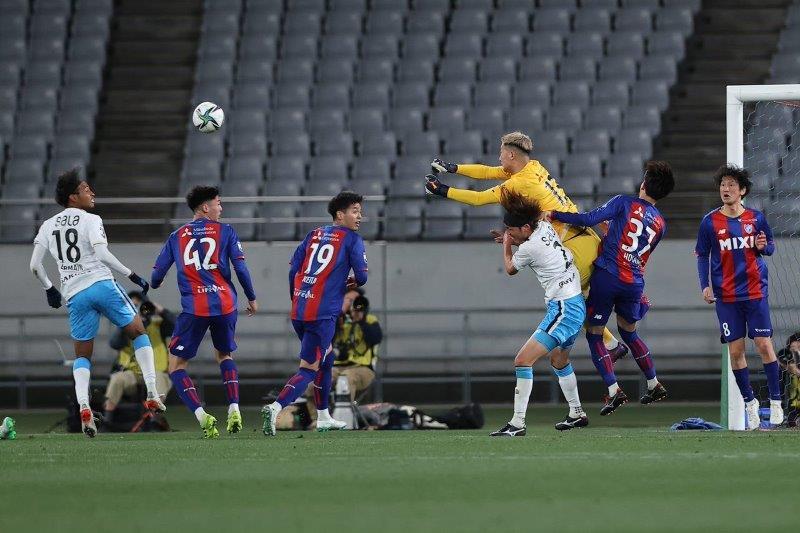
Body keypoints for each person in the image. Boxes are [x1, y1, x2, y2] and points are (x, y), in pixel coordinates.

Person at [424, 131, 627, 361]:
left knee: (568, 300)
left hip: (572, 245)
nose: (499, 158)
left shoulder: (518, 184)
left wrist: (441, 190)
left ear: (511, 155)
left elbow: (479, 199)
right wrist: (452, 168)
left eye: (501, 153)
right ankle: (613, 342)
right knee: (587, 296)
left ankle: (605, 348)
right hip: (588, 236)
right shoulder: (534, 167)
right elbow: (489, 172)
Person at [29, 169, 162, 438]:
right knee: (139, 332)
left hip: (75, 295)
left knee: (82, 357)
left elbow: (34, 265)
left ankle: (84, 406)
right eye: (86, 189)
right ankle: (151, 392)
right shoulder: (91, 219)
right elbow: (101, 253)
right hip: (101, 285)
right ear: (73, 196)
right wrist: (132, 275)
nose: (92, 193)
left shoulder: (48, 225)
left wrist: (50, 289)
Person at [549, 161, 675, 415]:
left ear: (643, 184)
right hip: (634, 282)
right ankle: (653, 383)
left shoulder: (623, 202)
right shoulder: (661, 224)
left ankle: (613, 390)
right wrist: (613, 233)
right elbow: (638, 252)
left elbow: (587, 219)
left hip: (608, 276)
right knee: (630, 333)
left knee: (595, 334)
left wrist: (556, 214)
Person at [151, 186, 258, 438]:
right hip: (225, 304)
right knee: (224, 355)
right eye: (218, 203)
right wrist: (251, 297)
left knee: (176, 366)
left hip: (195, 307)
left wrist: (156, 283)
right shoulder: (226, 231)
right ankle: (234, 408)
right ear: (205, 207)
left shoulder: (177, 236)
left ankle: (202, 416)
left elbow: (156, 276)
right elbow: (241, 269)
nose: (221, 207)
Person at [261, 191, 369, 436]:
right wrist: (350, 282)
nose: (359, 216)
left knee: (326, 361)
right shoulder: (352, 239)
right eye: (355, 211)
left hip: (300, 309)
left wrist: (296, 298)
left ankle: (323, 417)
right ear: (340, 215)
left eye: (360, 212)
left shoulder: (314, 234)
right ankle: (276, 407)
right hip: (323, 313)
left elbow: (293, 271)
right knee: (309, 368)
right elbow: (362, 276)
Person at [490, 189, 588, 437]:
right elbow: (531, 245)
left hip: (564, 309)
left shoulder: (529, 248)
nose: (508, 234)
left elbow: (510, 268)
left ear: (525, 227)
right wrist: (512, 240)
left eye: (511, 230)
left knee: (522, 360)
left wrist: (506, 246)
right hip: (575, 302)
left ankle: (517, 423)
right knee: (559, 361)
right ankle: (577, 413)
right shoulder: (543, 226)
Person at [695, 164, 783, 429]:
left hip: (755, 292)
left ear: (742, 190)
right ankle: (750, 403)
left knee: (764, 345)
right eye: (723, 184)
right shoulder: (710, 222)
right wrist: (705, 285)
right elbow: (702, 255)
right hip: (726, 296)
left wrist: (763, 246)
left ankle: (776, 401)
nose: (726, 189)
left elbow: (770, 247)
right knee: (735, 351)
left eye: (732, 185)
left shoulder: (756, 218)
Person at [104, 292, 174, 424]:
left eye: (139, 306)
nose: (137, 310)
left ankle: (154, 419)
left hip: (156, 371)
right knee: (117, 379)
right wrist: (126, 321)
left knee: (160, 380)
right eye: (133, 306)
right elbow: (114, 343)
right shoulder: (125, 327)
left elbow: (177, 325)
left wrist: (161, 310)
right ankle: (107, 419)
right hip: (132, 373)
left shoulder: (158, 325)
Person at [332, 294, 382, 400]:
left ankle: (344, 410)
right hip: (337, 367)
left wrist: (361, 321)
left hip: (363, 368)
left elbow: (376, 339)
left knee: (346, 378)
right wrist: (338, 317)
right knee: (318, 379)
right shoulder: (340, 321)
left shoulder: (370, 320)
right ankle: (315, 410)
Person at [777, 332, 800, 425]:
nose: (796, 353)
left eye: (799, 349)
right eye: (793, 349)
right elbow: (779, 388)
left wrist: (797, 371)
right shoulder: (785, 367)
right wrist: (784, 366)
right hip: (792, 408)